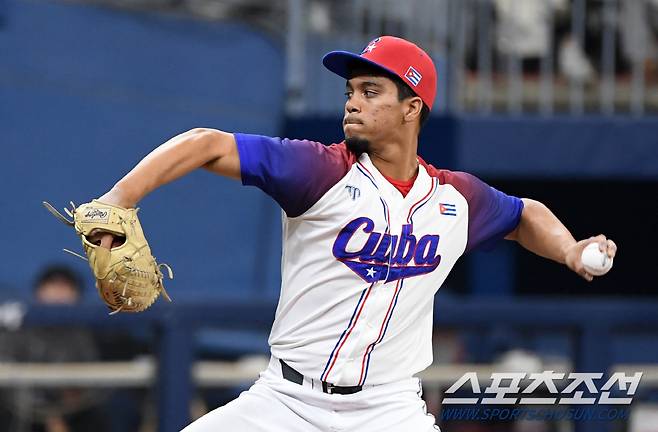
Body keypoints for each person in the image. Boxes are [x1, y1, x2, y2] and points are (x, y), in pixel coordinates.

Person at [91, 36, 617, 431]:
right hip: (286, 403)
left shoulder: (456, 199)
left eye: (371, 91)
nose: (353, 102)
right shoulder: (318, 170)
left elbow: (525, 214)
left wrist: (570, 248)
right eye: (350, 91)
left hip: (386, 409)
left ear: (412, 108)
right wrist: (120, 198)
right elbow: (207, 143)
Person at [0, 266, 109, 432]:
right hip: (23, 412)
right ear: (38, 291)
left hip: (74, 413)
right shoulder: (17, 330)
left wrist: (70, 403)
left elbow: (96, 384)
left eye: (65, 287)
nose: (58, 292)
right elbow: (9, 382)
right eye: (52, 285)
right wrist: (49, 415)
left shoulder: (86, 334)